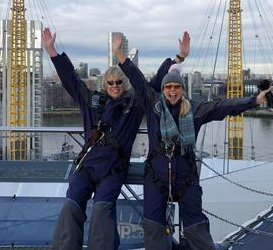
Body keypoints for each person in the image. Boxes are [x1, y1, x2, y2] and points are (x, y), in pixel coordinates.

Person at [114, 34, 271, 250]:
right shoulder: (153, 106)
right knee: (153, 226)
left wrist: (254, 100)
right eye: (168, 87)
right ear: (163, 89)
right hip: (156, 177)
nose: (172, 91)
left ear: (182, 90)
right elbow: (137, 79)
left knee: (195, 225)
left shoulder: (194, 110)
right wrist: (120, 54)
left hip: (186, 177)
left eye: (176, 87)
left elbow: (222, 107)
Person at [41, 28, 190, 250]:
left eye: (119, 81)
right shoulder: (92, 101)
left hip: (112, 169)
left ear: (125, 83)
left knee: (102, 209)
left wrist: (179, 57)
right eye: (110, 82)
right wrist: (52, 50)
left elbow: (155, 81)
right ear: (105, 84)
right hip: (87, 167)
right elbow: (70, 79)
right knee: (71, 205)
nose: (115, 86)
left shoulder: (135, 104)